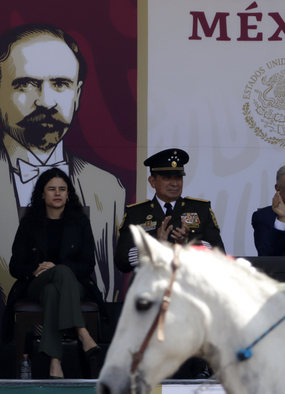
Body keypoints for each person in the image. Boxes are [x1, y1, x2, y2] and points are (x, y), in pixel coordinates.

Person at [0, 23, 126, 310]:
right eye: (26, 83)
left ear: (77, 94)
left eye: (60, 83)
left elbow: (105, 282)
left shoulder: (109, 188)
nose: (45, 101)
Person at [2, 168, 105, 378]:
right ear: (42, 194)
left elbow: (87, 264)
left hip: (74, 285)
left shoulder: (80, 222)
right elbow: (15, 266)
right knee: (52, 282)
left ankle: (54, 363)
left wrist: (59, 269)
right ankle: (82, 333)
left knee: (54, 290)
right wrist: (35, 269)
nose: (57, 193)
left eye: (62, 189)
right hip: (36, 284)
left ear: (68, 194)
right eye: (51, 189)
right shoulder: (29, 223)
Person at [115, 148, 225, 273]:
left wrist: (188, 244)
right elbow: (121, 260)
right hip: (152, 288)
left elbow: (219, 253)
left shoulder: (201, 209)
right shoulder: (136, 213)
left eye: (178, 178)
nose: (174, 183)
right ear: (152, 182)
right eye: (167, 178)